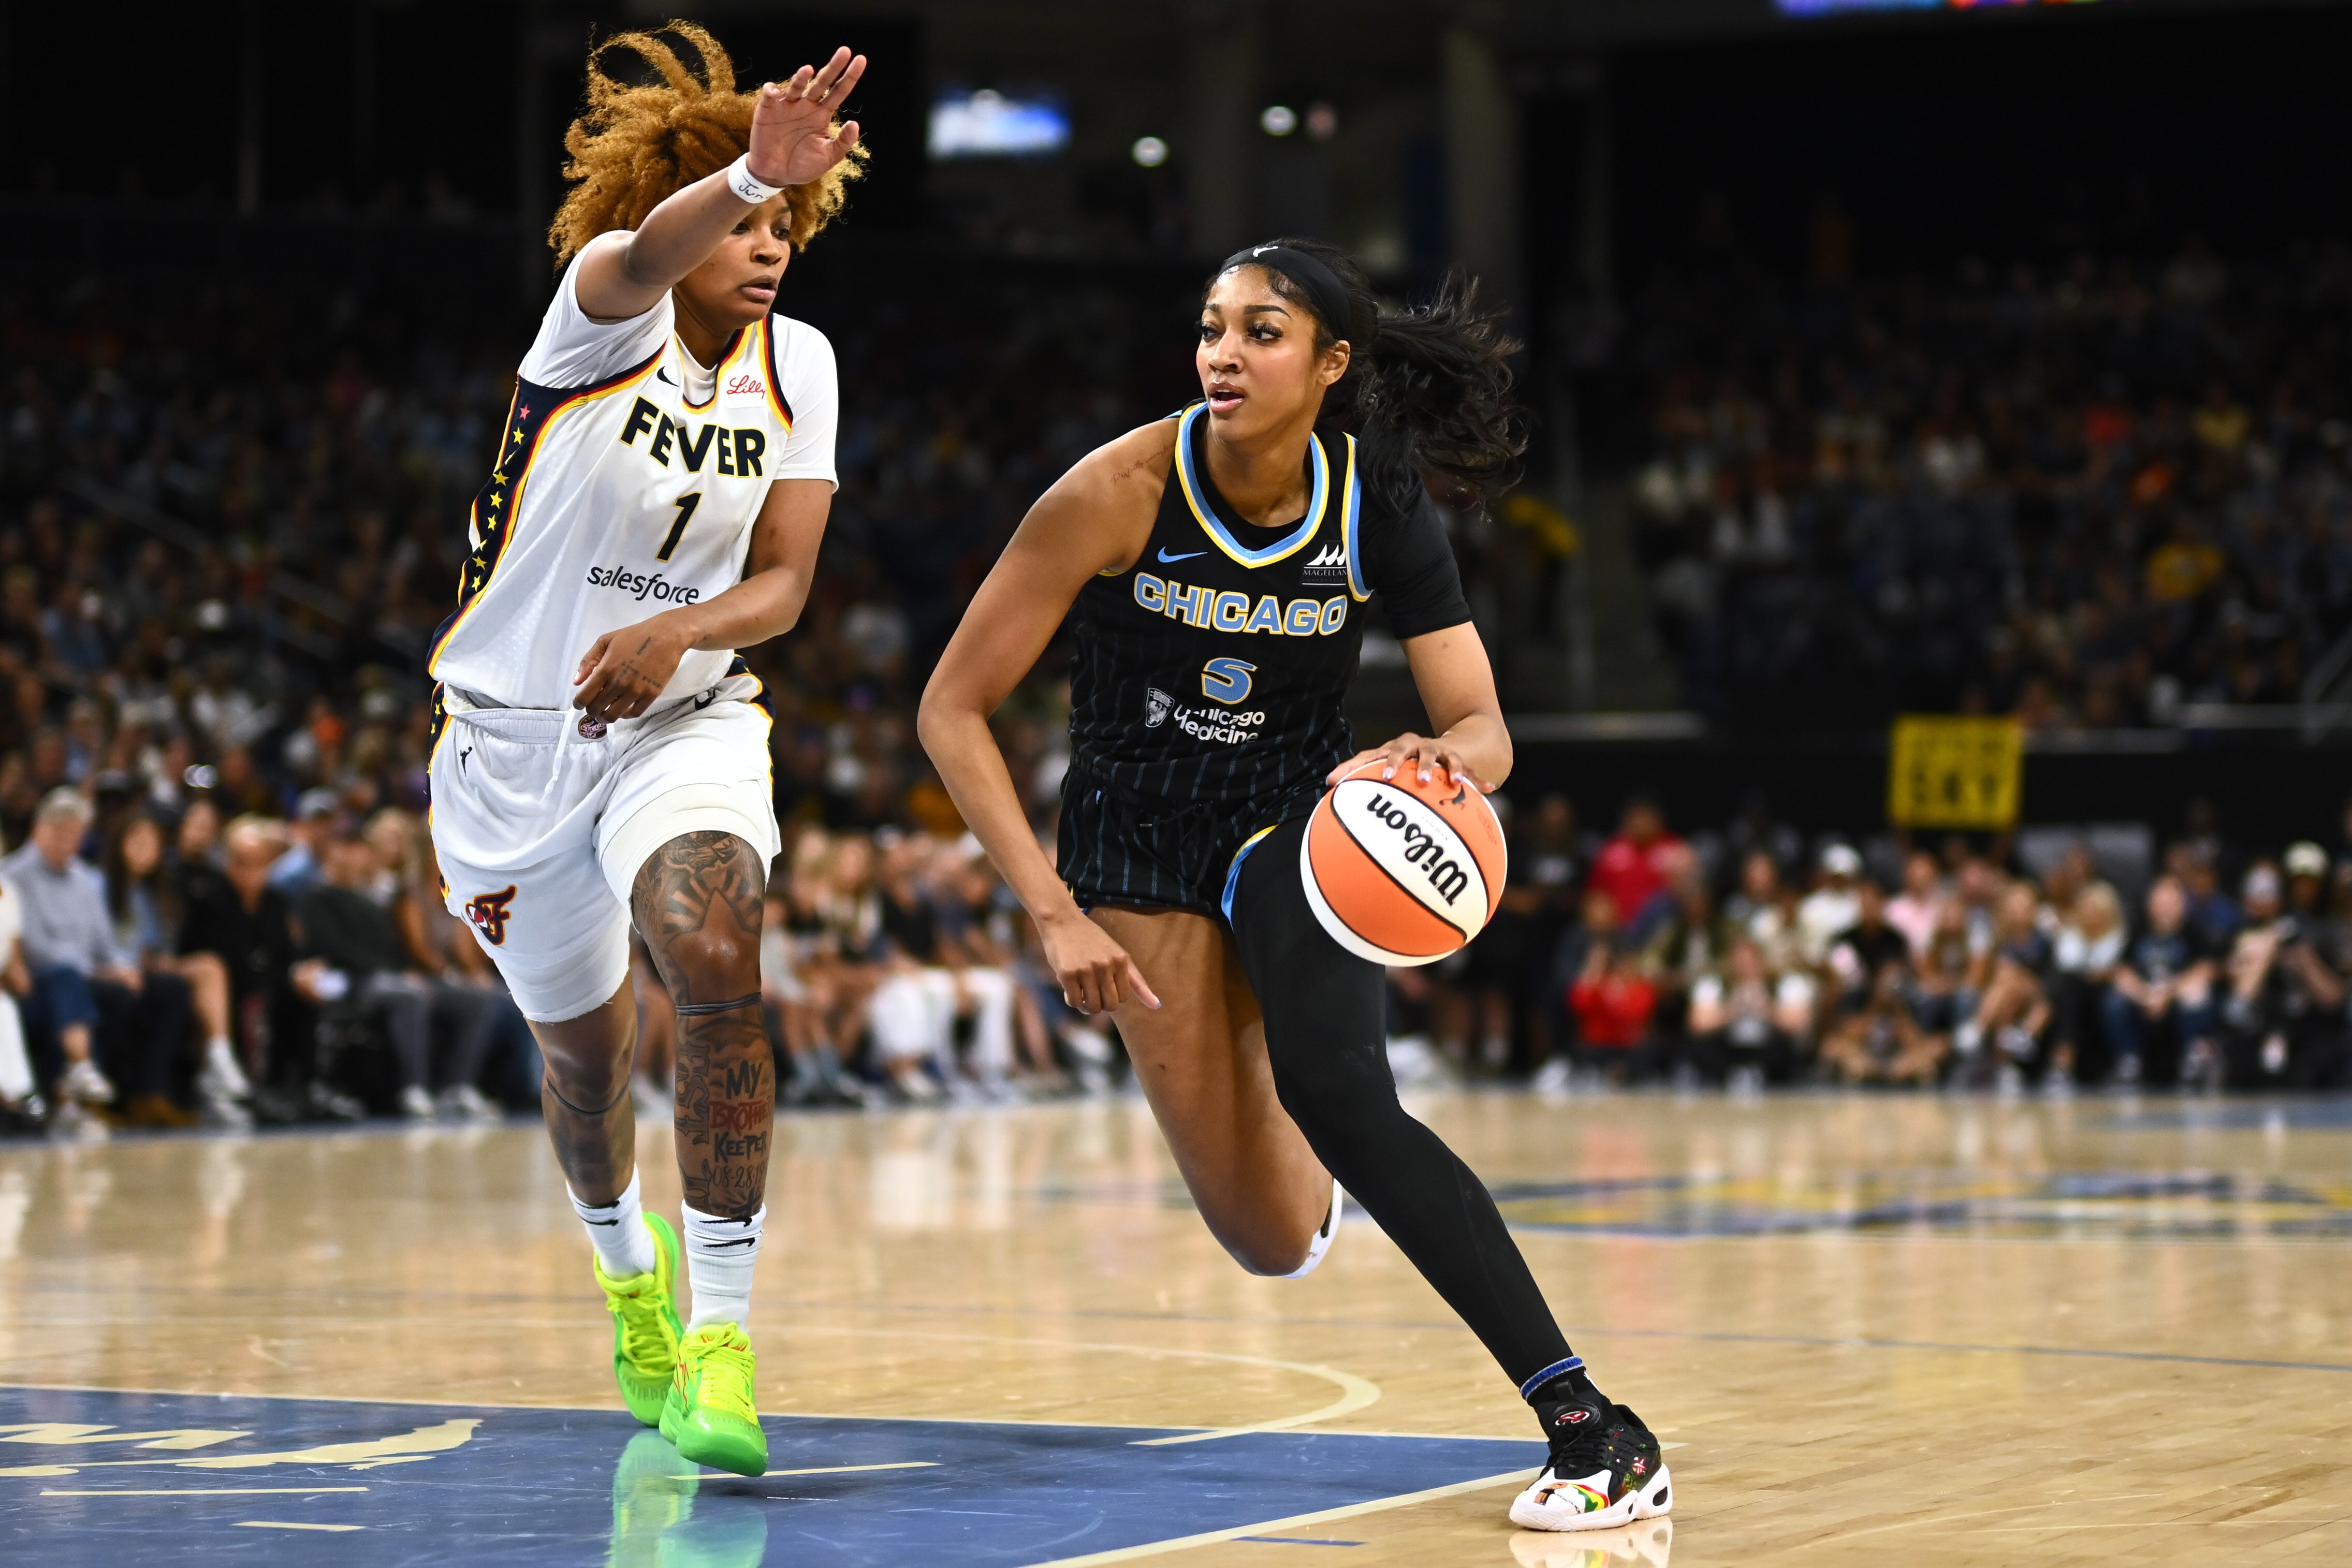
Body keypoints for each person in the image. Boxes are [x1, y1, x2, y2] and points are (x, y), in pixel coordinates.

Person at [918, 238, 1670, 1533]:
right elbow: (951, 708)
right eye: (1212, 327)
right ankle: (1279, 1072)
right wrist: (1049, 905)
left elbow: (1484, 724)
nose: (1224, 352)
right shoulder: (1112, 492)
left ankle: (1592, 1422)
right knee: (1267, 1238)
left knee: (1344, 1091)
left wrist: (1438, 757)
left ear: (1331, 364)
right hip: (1131, 846)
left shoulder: (1373, 491)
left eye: (1262, 332)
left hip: (1289, 826)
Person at [419, 24, 863, 1477]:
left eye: (786, 223)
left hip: (681, 717)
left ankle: (726, 1336)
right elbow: (647, 247)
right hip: (510, 751)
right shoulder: (599, 315)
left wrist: (678, 634)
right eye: (745, 220)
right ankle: (626, 1269)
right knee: (587, 1064)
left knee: (713, 937)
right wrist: (745, 166)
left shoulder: (799, 363)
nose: (767, 242)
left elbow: (786, 581)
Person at [3, 788, 194, 1134]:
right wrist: (101, 970)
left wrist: (122, 967)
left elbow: (105, 942)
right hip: (41, 981)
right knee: (75, 980)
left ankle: (148, 1093)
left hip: (88, 974)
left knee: (169, 988)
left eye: (75, 834)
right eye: (60, 832)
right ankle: (78, 1086)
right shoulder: (13, 876)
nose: (68, 842)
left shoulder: (86, 880)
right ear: (39, 829)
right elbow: (34, 948)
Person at [104, 810, 253, 1125]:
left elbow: (156, 948)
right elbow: (97, 942)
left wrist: (156, 963)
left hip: (146, 972)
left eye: (151, 843)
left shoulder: (153, 894)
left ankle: (212, 1062)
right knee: (172, 987)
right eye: (137, 841)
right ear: (119, 845)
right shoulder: (99, 887)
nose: (145, 850)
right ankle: (207, 1068)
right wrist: (126, 967)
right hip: (109, 973)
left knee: (203, 970)